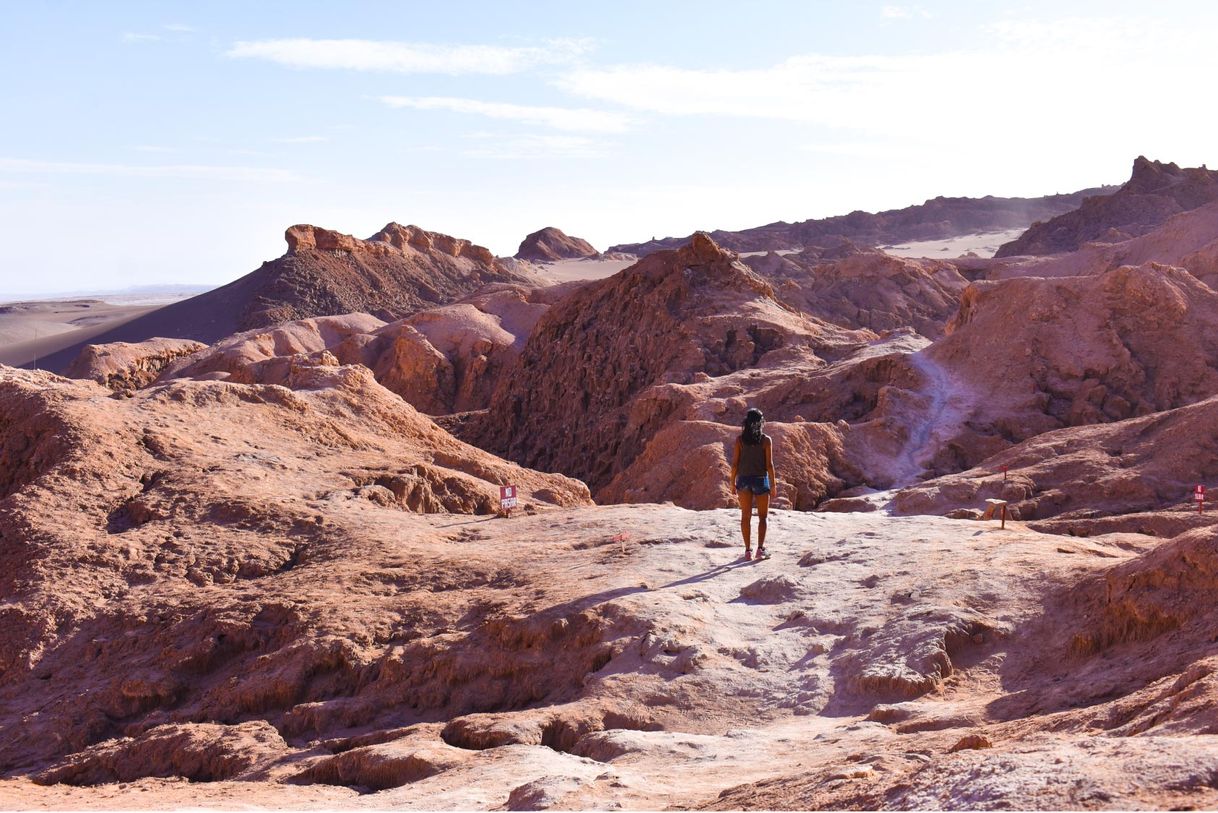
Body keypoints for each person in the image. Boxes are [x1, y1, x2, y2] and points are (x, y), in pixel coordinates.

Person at [729, 408, 776, 560]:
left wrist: (731, 483)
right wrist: (773, 485)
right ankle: (760, 550)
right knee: (763, 517)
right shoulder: (766, 440)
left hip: (743, 480)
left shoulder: (739, 440)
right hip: (761, 480)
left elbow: (735, 464)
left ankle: (747, 551)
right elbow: (769, 465)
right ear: (760, 423)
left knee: (745, 516)